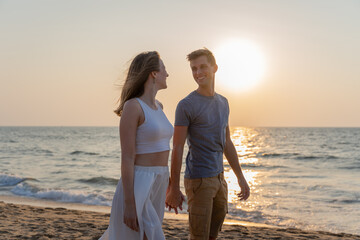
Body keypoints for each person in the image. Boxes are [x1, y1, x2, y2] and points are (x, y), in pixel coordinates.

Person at [165, 48, 250, 240]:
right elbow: (177, 148)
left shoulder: (223, 102)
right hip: (198, 180)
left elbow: (226, 141)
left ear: (215, 68)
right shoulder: (186, 105)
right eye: (194, 69)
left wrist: (240, 177)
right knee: (199, 237)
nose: (198, 73)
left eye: (203, 67)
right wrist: (174, 188)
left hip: (220, 179)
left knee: (213, 236)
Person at [99, 51, 173, 240]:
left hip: (159, 179)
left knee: (149, 234)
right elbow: (127, 157)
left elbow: (162, 146)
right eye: (164, 68)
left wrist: (169, 180)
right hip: (140, 181)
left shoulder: (159, 106)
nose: (168, 74)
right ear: (153, 73)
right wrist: (130, 205)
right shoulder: (133, 107)